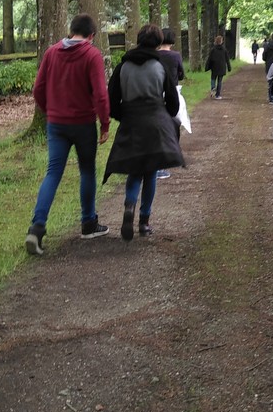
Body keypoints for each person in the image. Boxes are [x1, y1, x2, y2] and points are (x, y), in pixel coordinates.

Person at [26, 13, 110, 256]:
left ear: (71, 31)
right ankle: (88, 223)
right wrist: (104, 124)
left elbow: (38, 89)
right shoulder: (92, 55)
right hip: (84, 124)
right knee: (87, 170)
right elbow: (100, 94)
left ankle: (37, 227)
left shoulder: (51, 52)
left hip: (56, 124)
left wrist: (50, 110)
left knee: (53, 172)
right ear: (91, 35)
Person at [103, 23, 185, 240]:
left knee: (135, 169)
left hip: (131, 122)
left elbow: (111, 100)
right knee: (150, 172)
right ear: (158, 43)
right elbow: (173, 101)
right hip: (154, 123)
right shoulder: (160, 66)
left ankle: (129, 205)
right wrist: (165, 116)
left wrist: (123, 116)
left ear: (138, 40)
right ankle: (144, 221)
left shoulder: (123, 66)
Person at [157, 27, 185, 179]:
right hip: (172, 93)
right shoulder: (176, 56)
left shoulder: (154, 55)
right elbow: (181, 74)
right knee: (175, 122)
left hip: (155, 93)